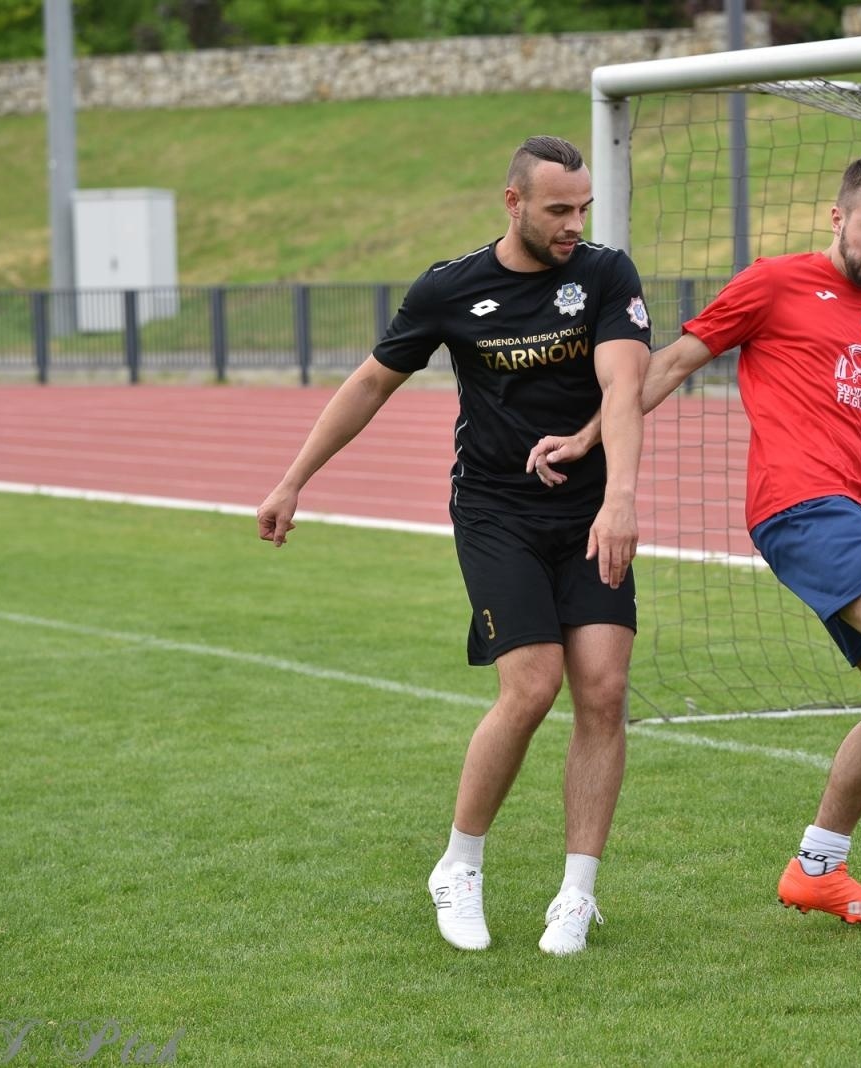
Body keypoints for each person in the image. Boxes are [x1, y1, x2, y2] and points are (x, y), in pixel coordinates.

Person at [528, 149, 861, 929]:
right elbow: (671, 362)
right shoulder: (773, 282)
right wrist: (587, 438)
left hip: (848, 509)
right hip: (795, 503)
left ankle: (818, 866)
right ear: (838, 217)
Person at [255, 135, 651, 956]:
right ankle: (459, 865)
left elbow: (623, 384)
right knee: (534, 686)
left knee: (604, 691)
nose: (575, 223)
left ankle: (577, 894)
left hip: (589, 512)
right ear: (513, 203)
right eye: (557, 210)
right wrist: (294, 480)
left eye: (583, 208)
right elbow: (370, 382)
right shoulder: (451, 287)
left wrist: (618, 502)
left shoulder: (607, 273)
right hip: (496, 511)